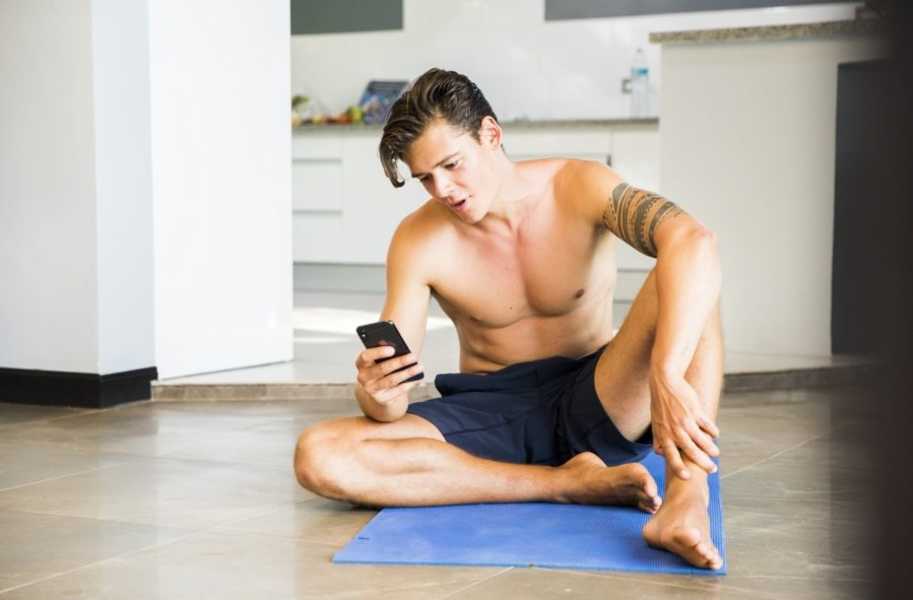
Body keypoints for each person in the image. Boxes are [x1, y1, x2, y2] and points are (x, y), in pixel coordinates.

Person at [294, 67, 724, 570]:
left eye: (452, 165)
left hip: (598, 393)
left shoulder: (579, 186)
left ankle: (685, 500)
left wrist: (666, 376)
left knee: (693, 272)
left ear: (491, 135)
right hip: (488, 411)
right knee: (318, 453)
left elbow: (693, 241)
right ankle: (566, 484)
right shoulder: (417, 240)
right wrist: (375, 391)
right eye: (426, 178)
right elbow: (389, 406)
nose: (443, 189)